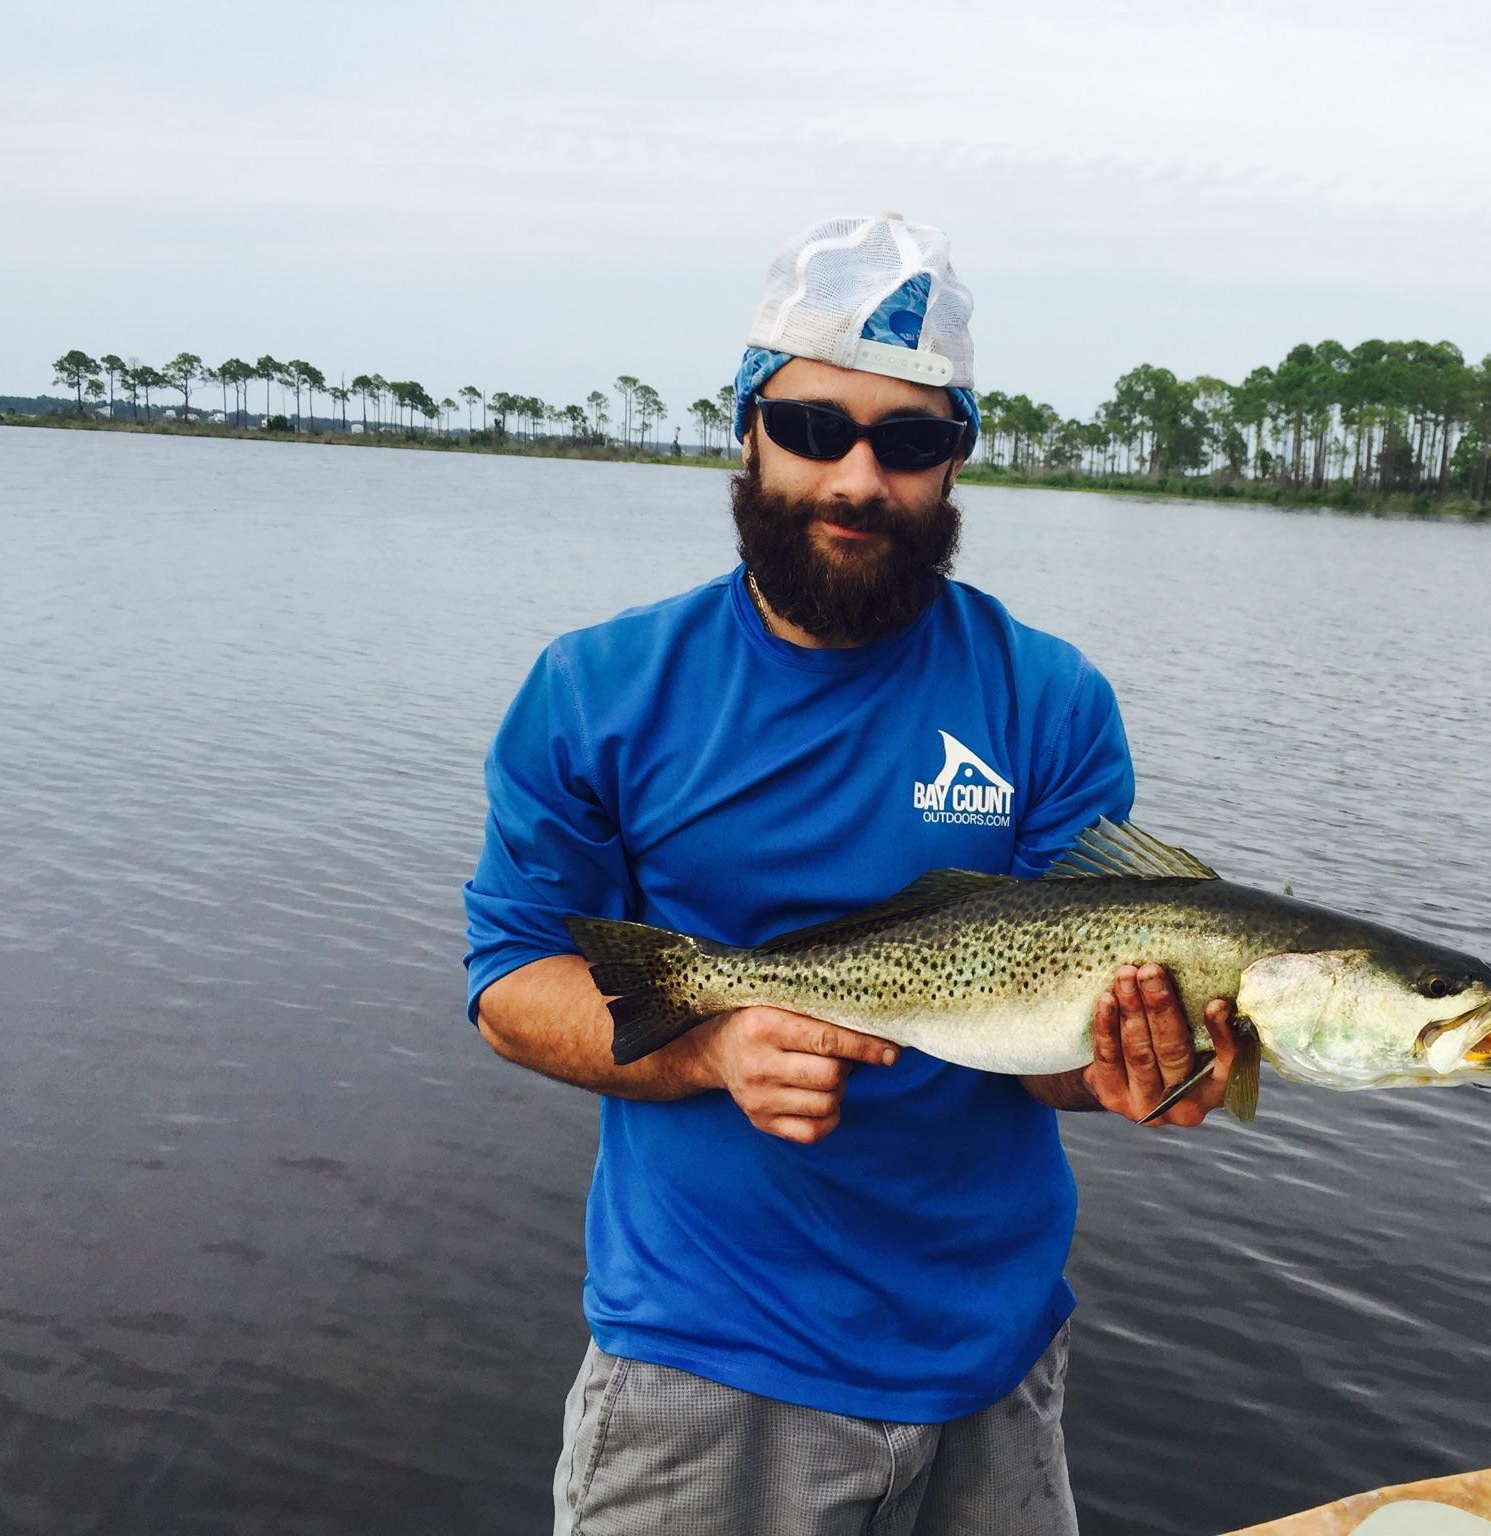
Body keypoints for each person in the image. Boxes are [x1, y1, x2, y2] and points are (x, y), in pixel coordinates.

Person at [464, 213, 1238, 1536]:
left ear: (956, 463)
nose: (857, 478)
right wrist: (710, 1052)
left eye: (912, 440)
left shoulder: (1048, 700)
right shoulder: (597, 694)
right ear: (747, 431)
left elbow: (1045, 1049)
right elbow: (510, 980)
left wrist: (1135, 1066)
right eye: (815, 429)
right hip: (706, 1366)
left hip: (991, 1363)